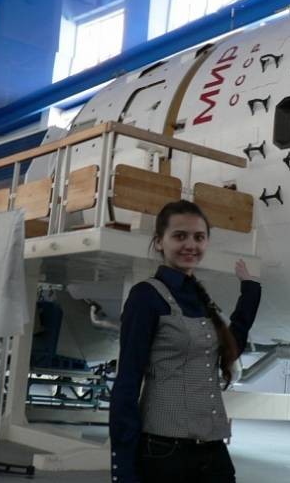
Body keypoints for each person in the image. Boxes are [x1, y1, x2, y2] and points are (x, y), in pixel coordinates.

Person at [109, 200, 262, 483]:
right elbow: (128, 381)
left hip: (212, 448)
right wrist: (123, 468)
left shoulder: (200, 299)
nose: (190, 245)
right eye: (180, 236)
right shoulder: (146, 296)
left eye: (199, 237)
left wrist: (250, 292)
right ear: (159, 241)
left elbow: (228, 352)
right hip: (164, 449)